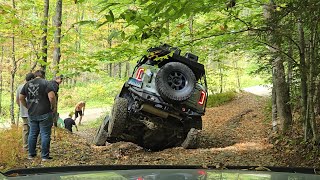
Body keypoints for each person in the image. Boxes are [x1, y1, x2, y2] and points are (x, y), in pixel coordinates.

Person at [19, 70, 56, 161]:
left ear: (35, 76)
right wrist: (53, 107)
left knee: (32, 133)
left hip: (32, 113)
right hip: (45, 112)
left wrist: (27, 106)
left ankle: (31, 155)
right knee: (45, 134)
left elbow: (21, 98)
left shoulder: (27, 84)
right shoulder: (46, 83)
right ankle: (44, 156)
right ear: (43, 75)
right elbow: (51, 97)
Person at [16, 72, 35, 151]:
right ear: (31, 79)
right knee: (34, 130)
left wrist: (22, 108)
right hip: (33, 112)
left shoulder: (19, 87)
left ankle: (25, 147)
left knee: (25, 130)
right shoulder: (33, 87)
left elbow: (17, 100)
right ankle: (34, 147)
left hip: (23, 112)